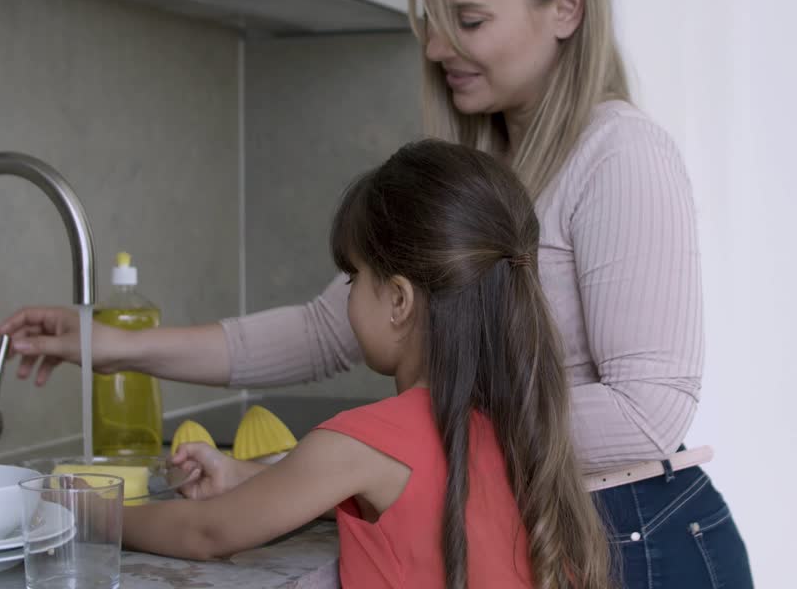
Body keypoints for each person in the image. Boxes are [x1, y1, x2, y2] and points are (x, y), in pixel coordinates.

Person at [0, 0, 754, 585]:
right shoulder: (492, 164)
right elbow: (325, 329)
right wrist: (113, 346)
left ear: (566, 8)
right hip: (550, 523)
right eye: (429, 19)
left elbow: (648, 412)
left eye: (469, 20)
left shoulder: (619, 154)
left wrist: (404, 440)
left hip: (639, 536)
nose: (434, 47)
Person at [120, 140, 612, 588]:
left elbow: (207, 532)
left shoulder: (364, 440)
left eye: (353, 278)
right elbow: (409, 500)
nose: (347, 298)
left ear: (399, 299)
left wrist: (85, 513)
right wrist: (242, 477)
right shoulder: (516, 423)